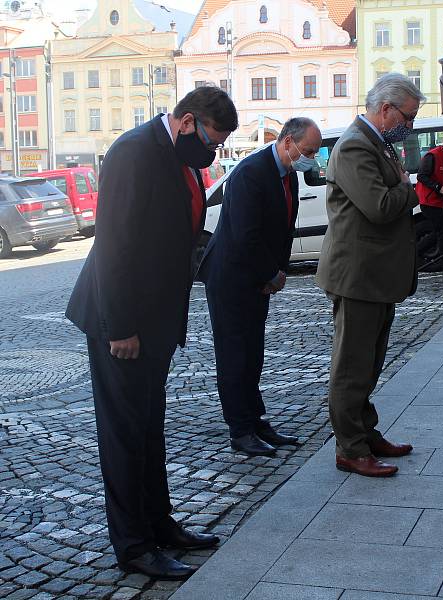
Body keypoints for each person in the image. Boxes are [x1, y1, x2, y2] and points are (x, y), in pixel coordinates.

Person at [65, 87, 237, 579]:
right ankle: (134, 546)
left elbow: (178, 232)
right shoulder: (134, 151)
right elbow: (114, 242)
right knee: (123, 435)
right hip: (121, 322)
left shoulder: (178, 156)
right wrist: (121, 326)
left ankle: (161, 525)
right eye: (211, 140)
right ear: (186, 121)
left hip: (156, 322)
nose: (213, 152)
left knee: (149, 429)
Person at [316, 73, 424, 477]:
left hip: (376, 275)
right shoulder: (355, 147)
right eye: (407, 118)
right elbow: (380, 206)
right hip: (358, 275)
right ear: (385, 110)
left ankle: (366, 431)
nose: (409, 126)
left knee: (370, 361)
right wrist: (408, 188)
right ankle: (351, 448)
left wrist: (401, 185)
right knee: (352, 365)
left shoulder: (376, 142)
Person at [196, 118, 321, 456]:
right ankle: (240, 429)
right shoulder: (251, 171)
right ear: (288, 142)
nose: (311, 158)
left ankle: (256, 420)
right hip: (231, 277)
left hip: (258, 277)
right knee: (235, 355)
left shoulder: (288, 175)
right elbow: (244, 234)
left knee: (253, 354)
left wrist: (280, 270)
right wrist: (271, 273)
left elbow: (285, 229)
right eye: (308, 150)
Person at [416, 132, 443, 268]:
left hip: (437, 200)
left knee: (441, 231)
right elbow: (421, 176)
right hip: (429, 200)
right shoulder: (433, 155)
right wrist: (439, 187)